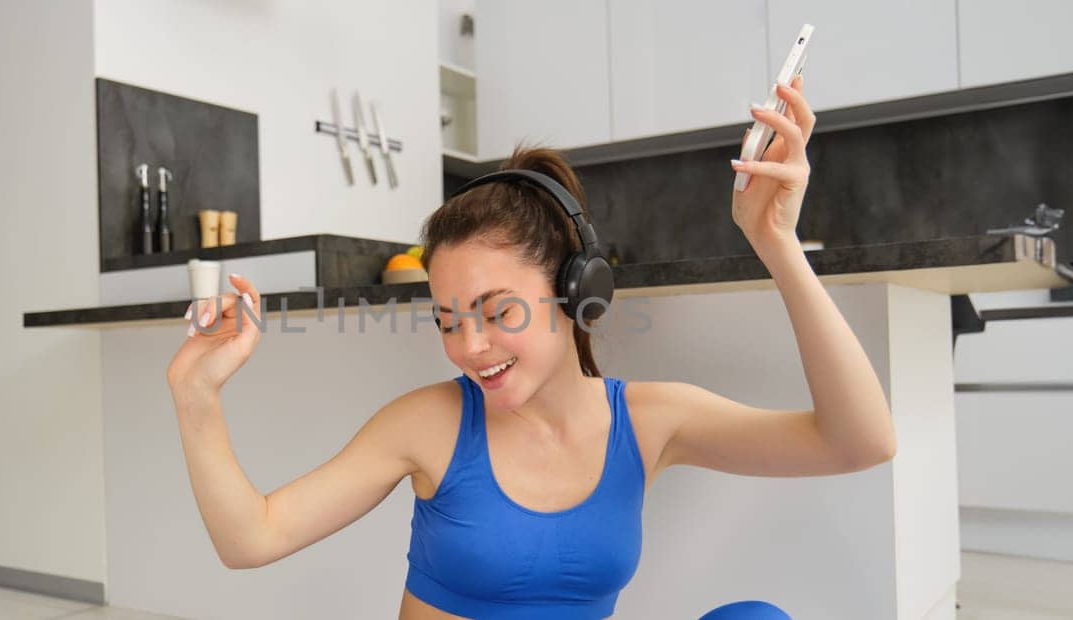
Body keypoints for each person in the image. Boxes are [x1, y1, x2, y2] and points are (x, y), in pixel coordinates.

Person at [164, 77, 894, 619]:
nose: (469, 346)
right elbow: (251, 538)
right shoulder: (429, 425)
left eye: (496, 311)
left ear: (576, 294)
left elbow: (858, 441)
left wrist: (777, 244)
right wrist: (196, 396)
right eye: (448, 320)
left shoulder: (648, 421)